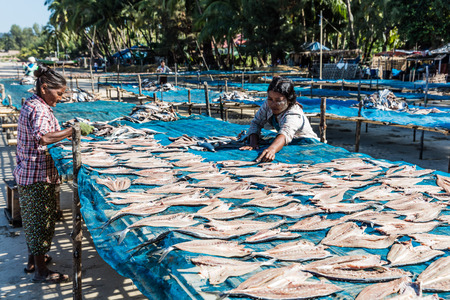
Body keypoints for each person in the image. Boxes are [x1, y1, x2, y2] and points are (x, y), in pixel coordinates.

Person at [14, 65, 73, 283]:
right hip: (37, 175)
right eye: (59, 93)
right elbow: (44, 138)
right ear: (45, 87)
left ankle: (34, 260)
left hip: (30, 172)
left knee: (33, 221)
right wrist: (72, 130)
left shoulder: (34, 103)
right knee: (40, 223)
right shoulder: (38, 109)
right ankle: (40, 272)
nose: (60, 98)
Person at [240, 76, 318, 162]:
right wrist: (253, 143)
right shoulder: (267, 104)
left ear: (289, 100)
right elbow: (256, 123)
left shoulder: (294, 113)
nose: (273, 104)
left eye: (278, 100)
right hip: (286, 142)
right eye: (270, 99)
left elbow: (285, 133)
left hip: (306, 145)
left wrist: (272, 149)